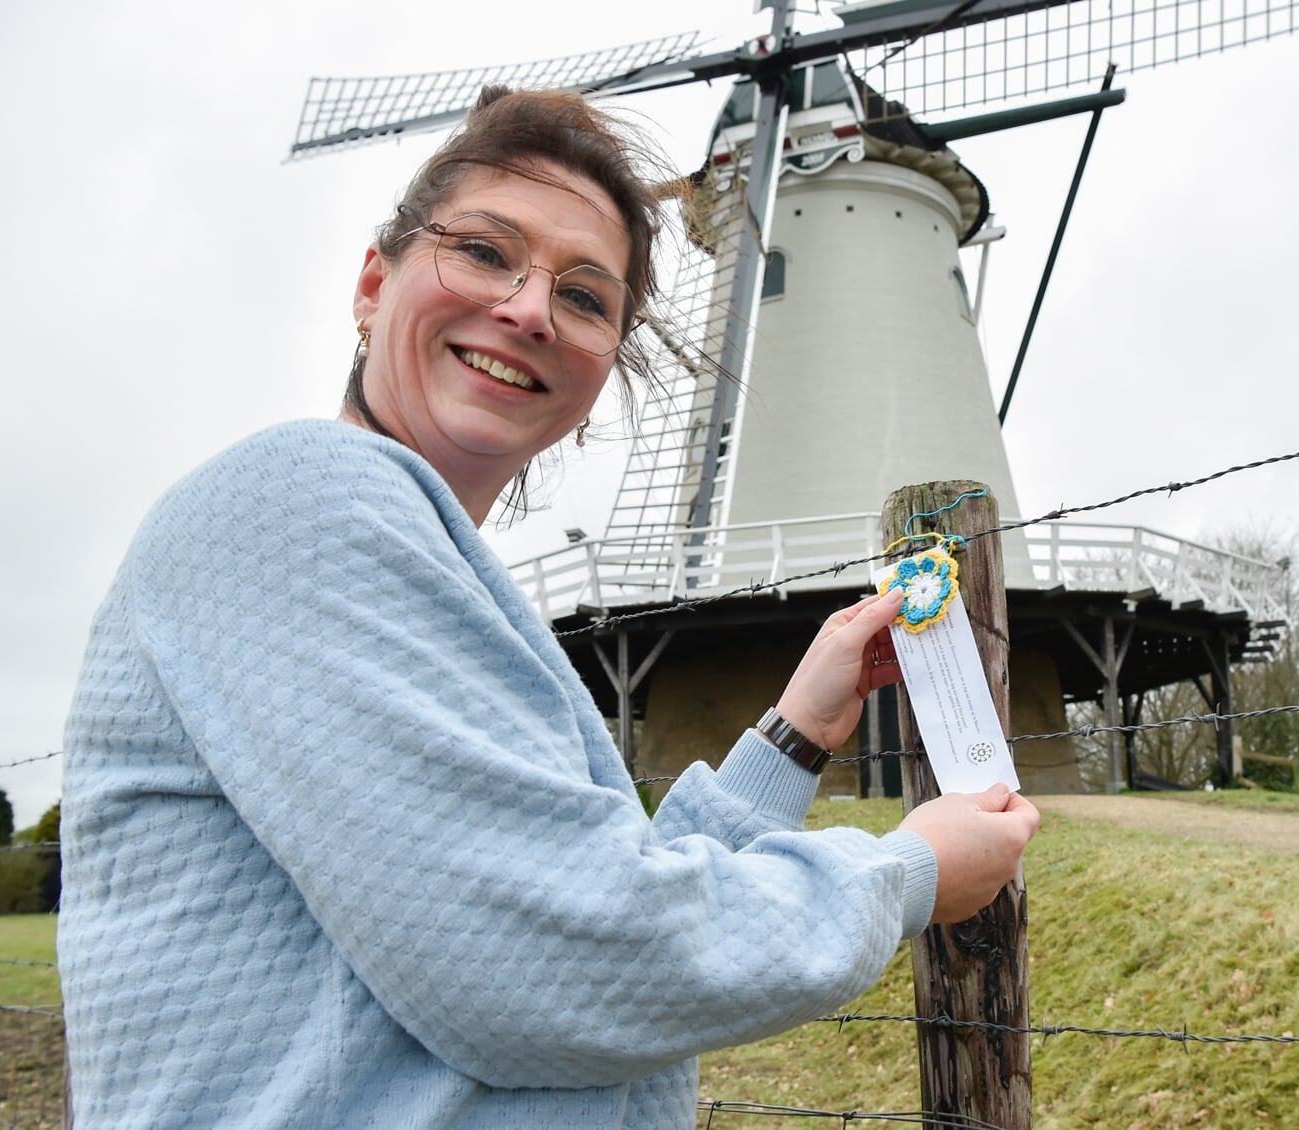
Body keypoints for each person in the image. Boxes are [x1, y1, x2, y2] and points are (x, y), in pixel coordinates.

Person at [58, 86, 1040, 1128]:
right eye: (485, 251)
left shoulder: (414, 564)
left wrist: (793, 734)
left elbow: (586, 884)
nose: (529, 307)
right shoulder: (300, 500)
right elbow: (558, 956)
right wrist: (903, 871)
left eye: (584, 295)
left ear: (605, 354)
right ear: (372, 282)